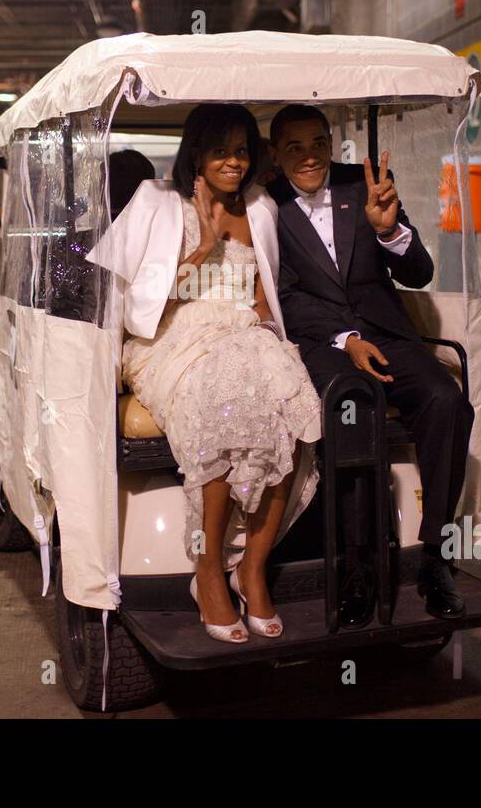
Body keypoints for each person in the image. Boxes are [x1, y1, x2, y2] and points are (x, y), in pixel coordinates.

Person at [88, 104, 322, 643]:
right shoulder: (156, 200)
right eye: (221, 151)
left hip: (243, 330)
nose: (234, 162)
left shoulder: (260, 206)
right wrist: (203, 250)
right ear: (196, 153)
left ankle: (253, 568)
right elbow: (125, 304)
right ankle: (209, 572)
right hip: (170, 336)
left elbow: (264, 293)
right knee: (225, 404)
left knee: (297, 406)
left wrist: (267, 331)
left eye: (242, 151)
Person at [266, 104, 473, 620]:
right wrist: (345, 337)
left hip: (389, 332)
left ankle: (435, 555)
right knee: (353, 408)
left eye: (316, 143)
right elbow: (283, 296)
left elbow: (420, 272)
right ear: (276, 154)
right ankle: (356, 566)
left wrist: (388, 231)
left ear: (331, 142)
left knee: (446, 398)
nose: (308, 156)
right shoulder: (264, 203)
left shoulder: (364, 185)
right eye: (293, 147)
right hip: (323, 342)